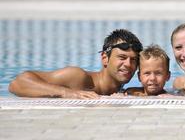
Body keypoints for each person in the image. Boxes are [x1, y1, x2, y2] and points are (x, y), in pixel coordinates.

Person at [9, 29, 143, 99]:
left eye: (133, 60)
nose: (128, 64)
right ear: (105, 58)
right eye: (122, 57)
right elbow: (18, 83)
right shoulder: (78, 77)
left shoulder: (120, 91)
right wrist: (66, 93)